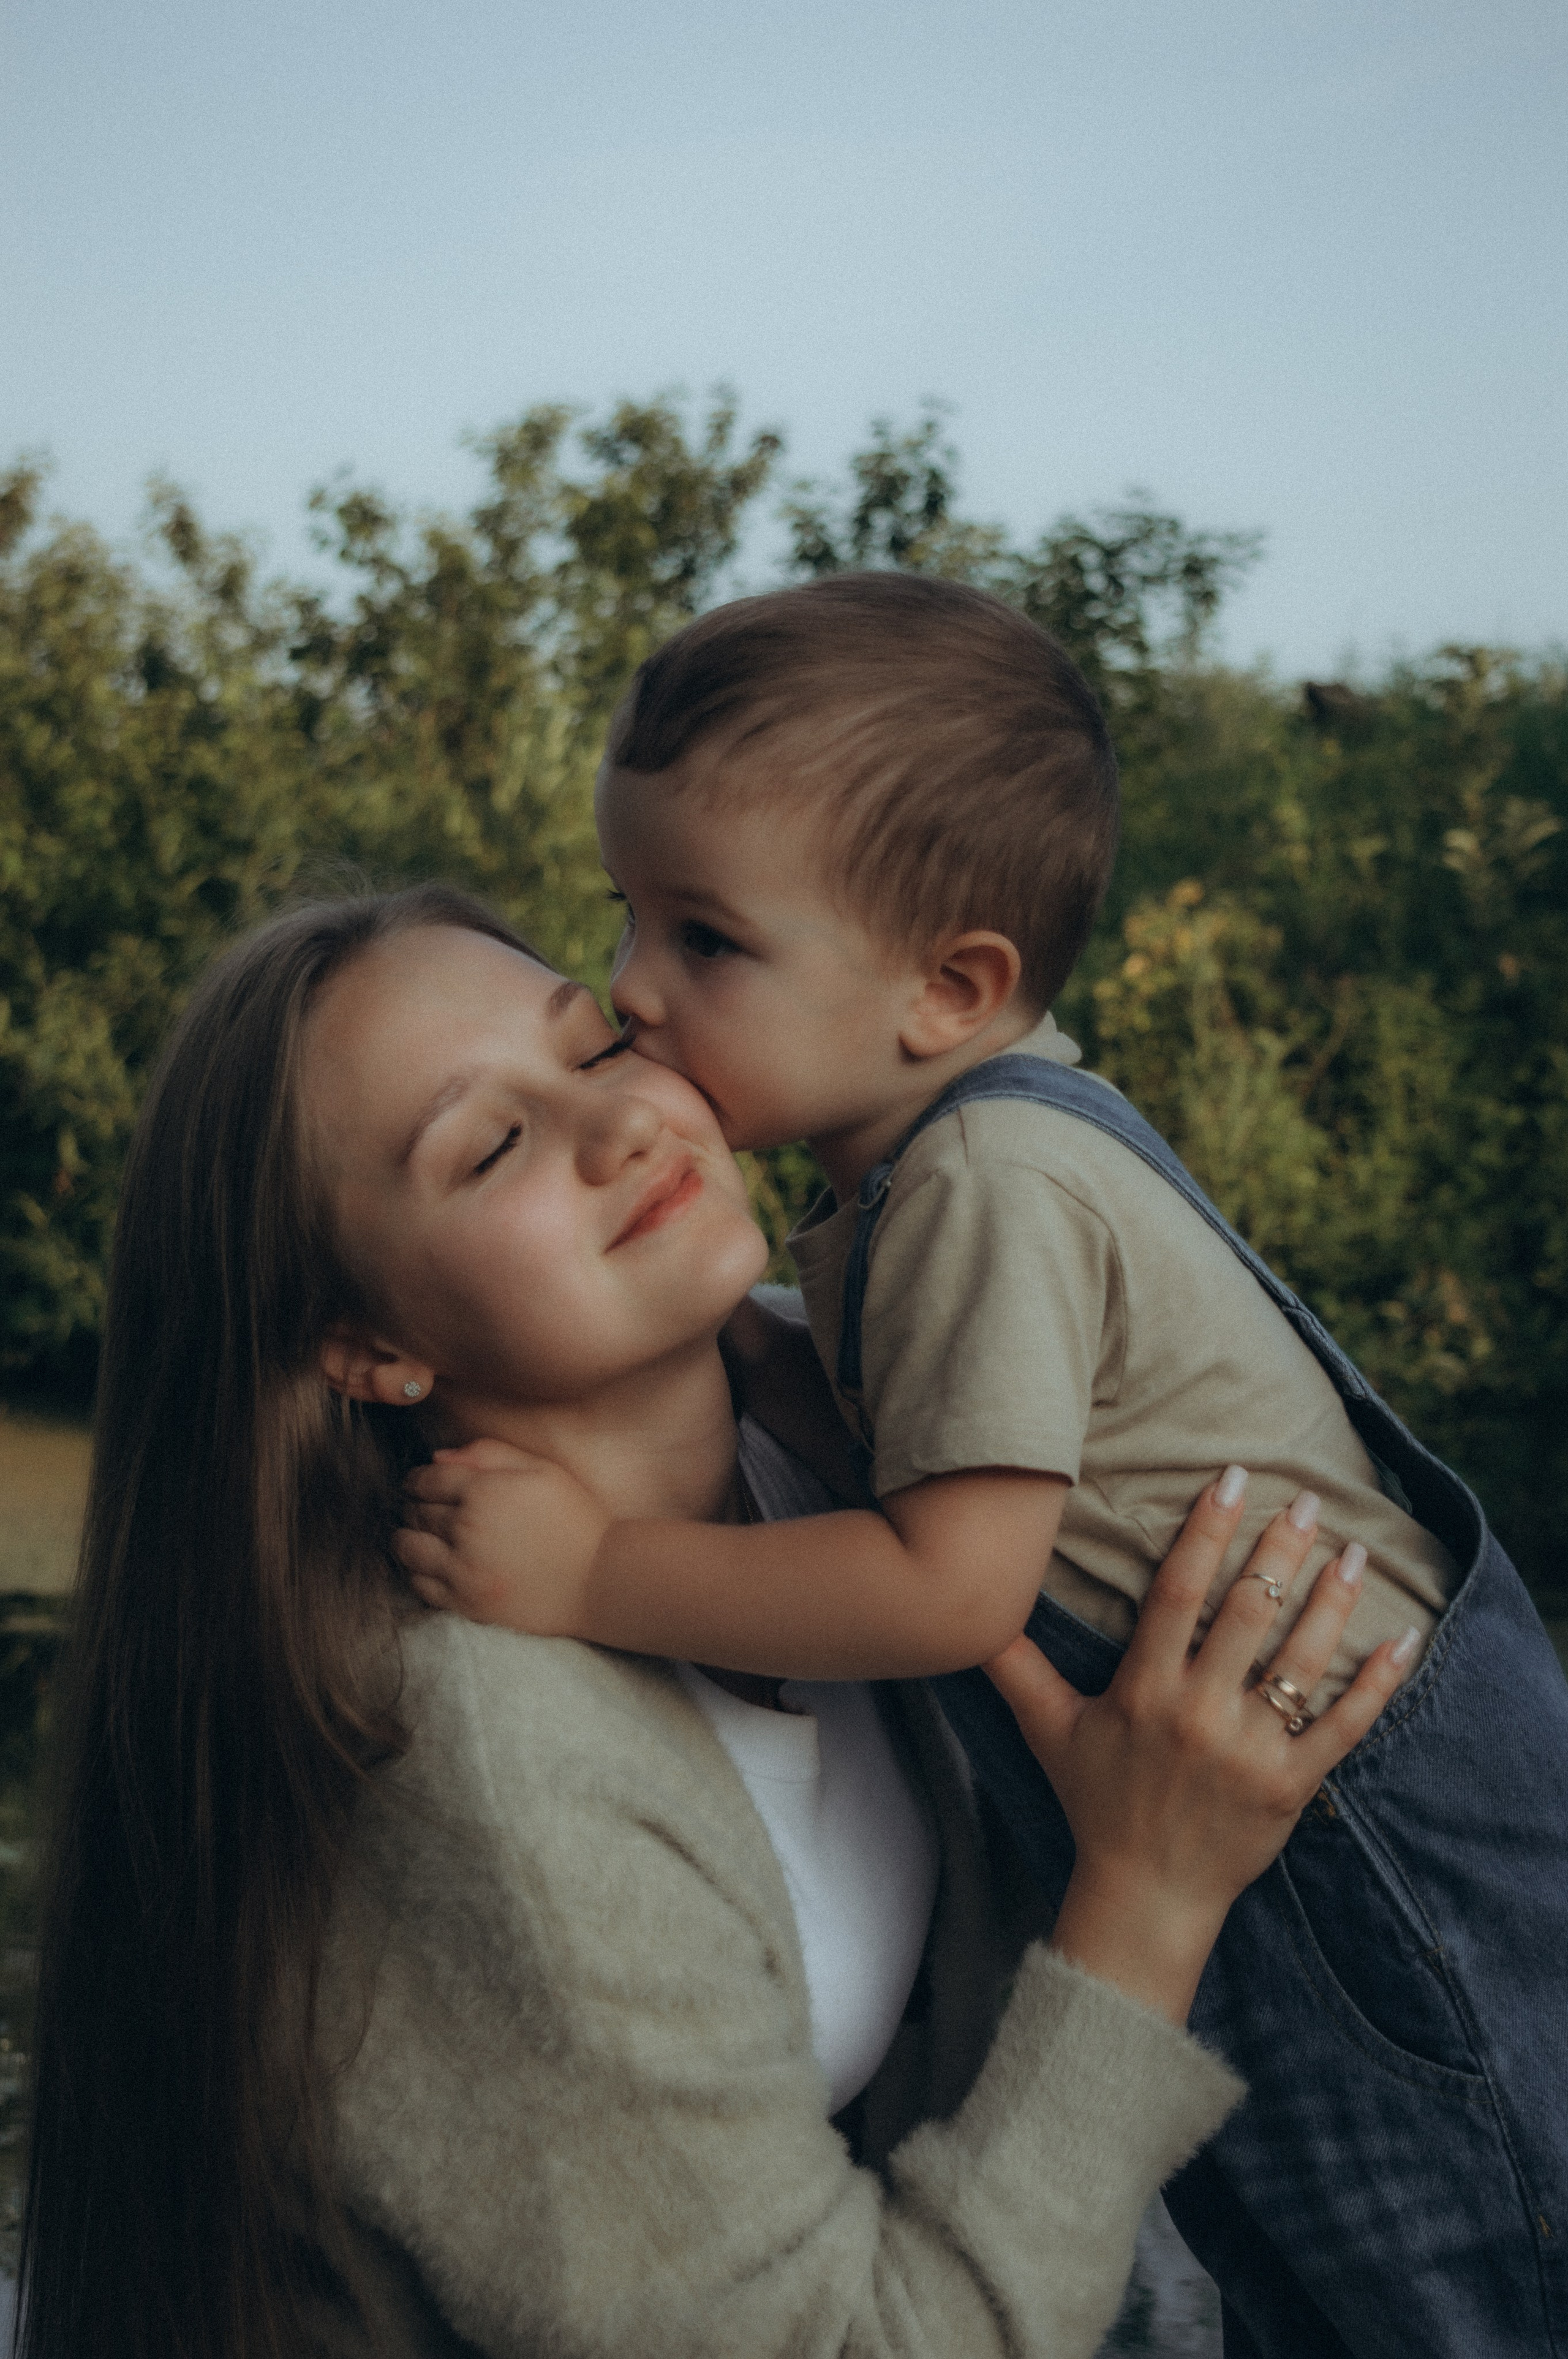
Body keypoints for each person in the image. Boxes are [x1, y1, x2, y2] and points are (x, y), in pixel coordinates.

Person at [402, 576, 1568, 2358]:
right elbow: (917, 1435)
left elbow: (953, 1576)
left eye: (704, 939)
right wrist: (753, 1355)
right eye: (628, 917)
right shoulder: (940, 1161)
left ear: (949, 987)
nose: (635, 990)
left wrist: (584, 1574)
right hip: (1280, 1792)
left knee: (1456, 2286)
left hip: (1359, 1835)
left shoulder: (980, 1186)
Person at [18, 886, 1403, 2359]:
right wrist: (1148, 1900)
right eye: (491, 1143)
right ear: (367, 1347)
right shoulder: (471, 1755)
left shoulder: (853, 1454)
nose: (619, 1126)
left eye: (599, 1045)